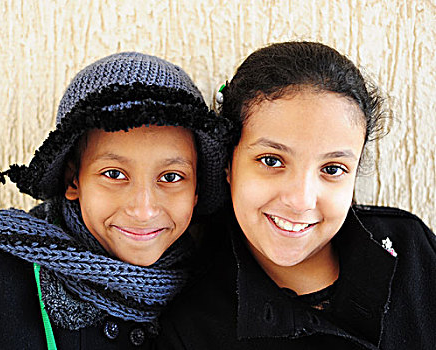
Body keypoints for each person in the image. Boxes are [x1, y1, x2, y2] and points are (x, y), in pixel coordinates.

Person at [0, 52, 230, 349]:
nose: (143, 209)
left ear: (197, 188)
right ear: (72, 180)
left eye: (171, 177)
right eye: (114, 174)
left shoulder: (215, 289)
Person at [155, 42, 436, 349]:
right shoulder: (191, 324)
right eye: (272, 161)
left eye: (332, 168)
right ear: (228, 163)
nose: (301, 200)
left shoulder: (412, 251)